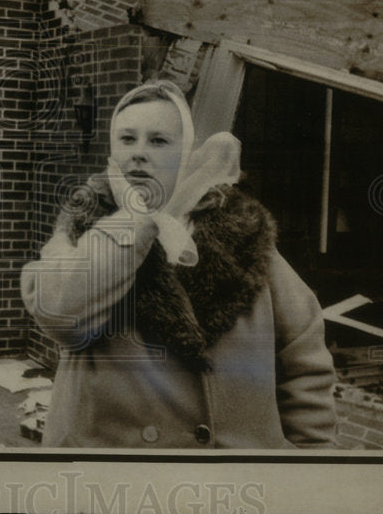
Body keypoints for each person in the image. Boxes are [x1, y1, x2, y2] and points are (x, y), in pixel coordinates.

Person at [20, 80, 337, 448]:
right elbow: (61, 315)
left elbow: (303, 357)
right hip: (109, 478)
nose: (139, 153)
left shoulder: (245, 236)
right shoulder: (83, 225)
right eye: (127, 139)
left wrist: (307, 464)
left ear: (187, 153)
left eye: (158, 141)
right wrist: (136, 220)